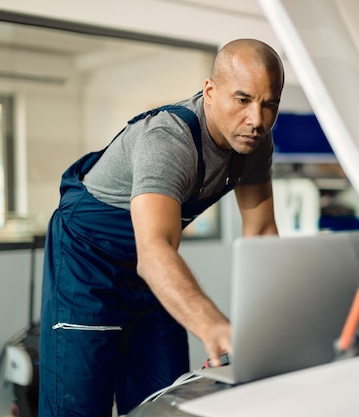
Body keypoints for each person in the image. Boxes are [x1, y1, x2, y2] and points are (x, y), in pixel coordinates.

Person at [39, 38, 284, 417]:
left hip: (150, 271)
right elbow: (154, 252)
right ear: (210, 91)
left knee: (164, 401)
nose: (257, 119)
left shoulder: (253, 142)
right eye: (242, 99)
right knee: (80, 404)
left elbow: (263, 235)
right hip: (87, 265)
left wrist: (274, 326)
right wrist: (215, 327)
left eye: (270, 105)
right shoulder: (169, 140)